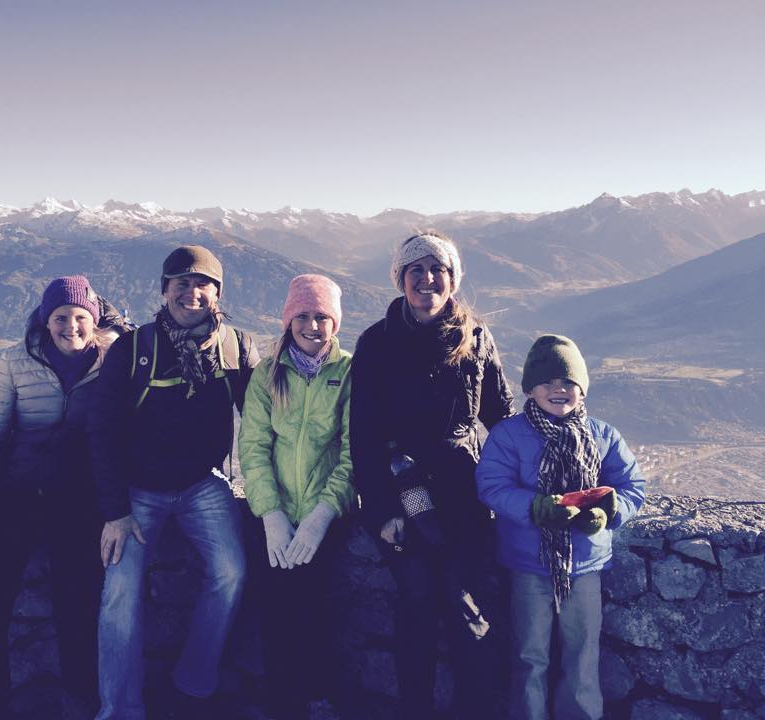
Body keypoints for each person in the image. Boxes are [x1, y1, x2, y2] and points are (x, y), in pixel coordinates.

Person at [88, 245, 259, 720]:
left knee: (231, 572)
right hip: (136, 491)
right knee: (120, 591)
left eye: (203, 284)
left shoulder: (236, 348)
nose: (192, 293)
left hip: (202, 484)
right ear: (164, 291)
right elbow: (102, 431)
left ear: (217, 293)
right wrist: (114, 512)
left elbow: (263, 422)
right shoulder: (134, 350)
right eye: (181, 283)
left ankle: (194, 683)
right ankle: (120, 710)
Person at [349, 232, 515, 719]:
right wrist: (382, 510)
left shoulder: (475, 337)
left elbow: (501, 417)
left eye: (437, 269)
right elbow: (363, 434)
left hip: (464, 494)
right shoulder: (376, 343)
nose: (427, 279)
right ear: (400, 279)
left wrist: (529, 477)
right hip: (400, 493)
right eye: (415, 270)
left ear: (452, 278)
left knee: (465, 605)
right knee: (417, 603)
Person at [0, 276, 131, 720]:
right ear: (44, 321)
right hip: (18, 494)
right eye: (60, 317)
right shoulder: (16, 362)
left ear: (94, 320)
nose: (71, 327)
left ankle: (79, 701)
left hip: (78, 501)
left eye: (80, 317)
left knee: (77, 603)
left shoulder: (112, 361)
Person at [476, 334, 645, 720]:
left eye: (568, 381)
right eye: (547, 381)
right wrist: (536, 507)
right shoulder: (509, 435)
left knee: (582, 655)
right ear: (529, 389)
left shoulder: (603, 436)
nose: (558, 389)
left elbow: (631, 486)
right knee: (529, 655)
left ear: (582, 389)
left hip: (585, 565)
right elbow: (492, 486)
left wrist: (609, 511)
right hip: (527, 564)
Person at [238, 274, 356, 720]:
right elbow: (253, 448)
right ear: (288, 320)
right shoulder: (268, 374)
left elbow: (354, 453)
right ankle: (282, 703)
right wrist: (271, 515)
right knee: (275, 610)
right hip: (277, 512)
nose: (312, 326)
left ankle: (319, 698)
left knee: (316, 607)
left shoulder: (350, 373)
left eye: (322, 317)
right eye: (302, 316)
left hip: (326, 512)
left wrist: (323, 514)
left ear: (335, 323)